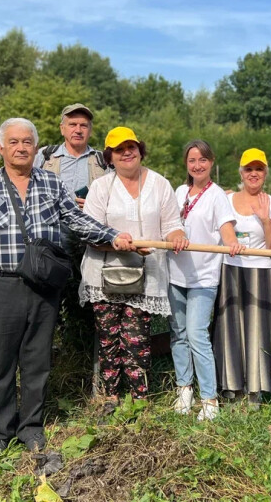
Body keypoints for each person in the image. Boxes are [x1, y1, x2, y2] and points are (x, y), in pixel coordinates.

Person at [0, 118, 135, 452]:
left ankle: (31, 426)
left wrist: (113, 236)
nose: (21, 147)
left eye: (27, 142)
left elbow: (77, 220)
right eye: (13, 142)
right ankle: (0, 430)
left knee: (37, 360)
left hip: (43, 286)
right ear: (1, 148)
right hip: (0, 284)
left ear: (36, 148)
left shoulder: (51, 184)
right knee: (1, 362)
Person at [79, 127, 189, 406]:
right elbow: (89, 231)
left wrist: (178, 236)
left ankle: (139, 399)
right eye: (119, 149)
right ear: (110, 157)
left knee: (137, 341)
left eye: (131, 146)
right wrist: (117, 242)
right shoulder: (101, 186)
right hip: (103, 273)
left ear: (140, 150)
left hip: (146, 273)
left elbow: (172, 225)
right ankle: (111, 397)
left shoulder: (159, 183)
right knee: (108, 339)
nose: (126, 152)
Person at [168, 140, 244, 421]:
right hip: (175, 273)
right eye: (191, 160)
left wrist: (233, 243)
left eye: (202, 160)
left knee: (197, 333)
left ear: (211, 162)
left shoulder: (217, 196)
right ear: (186, 164)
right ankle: (184, 388)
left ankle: (209, 398)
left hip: (203, 276)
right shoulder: (178, 192)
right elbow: (167, 224)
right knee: (178, 333)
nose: (197, 165)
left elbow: (226, 228)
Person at [213, 148, 271, 405]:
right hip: (229, 267)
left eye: (259, 169)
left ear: (265, 173)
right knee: (229, 326)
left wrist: (265, 220)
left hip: (260, 270)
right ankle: (231, 387)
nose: (254, 174)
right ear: (241, 172)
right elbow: (220, 230)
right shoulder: (226, 199)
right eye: (249, 169)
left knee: (259, 328)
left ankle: (258, 388)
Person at [34, 103, 110, 326]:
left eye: (83, 125)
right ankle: (55, 336)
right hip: (52, 238)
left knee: (86, 292)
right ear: (62, 128)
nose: (78, 130)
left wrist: (95, 203)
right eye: (72, 124)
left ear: (90, 130)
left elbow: (117, 194)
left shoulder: (102, 160)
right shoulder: (44, 157)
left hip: (88, 239)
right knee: (50, 292)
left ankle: (81, 339)